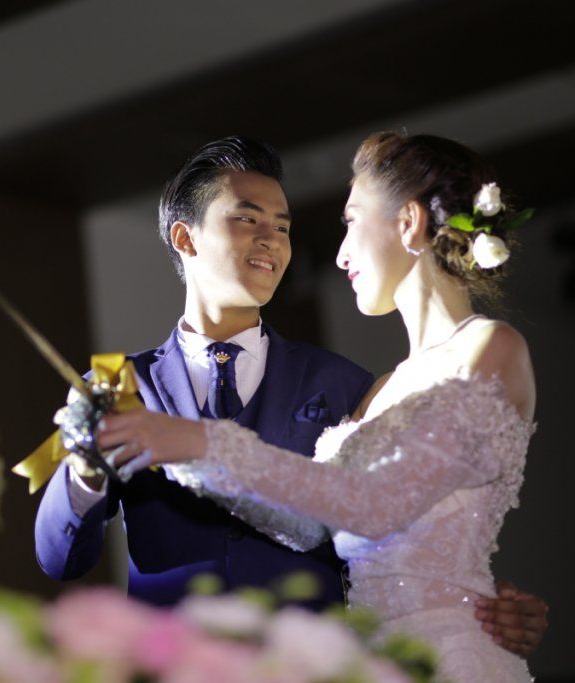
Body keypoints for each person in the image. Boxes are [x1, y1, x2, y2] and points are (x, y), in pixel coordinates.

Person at [33, 134, 547, 660]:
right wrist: (85, 469)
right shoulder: (121, 384)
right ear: (185, 237)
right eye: (247, 219)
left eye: (282, 227)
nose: (272, 241)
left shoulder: (345, 383)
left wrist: (466, 602)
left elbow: (391, 511)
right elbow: (58, 557)